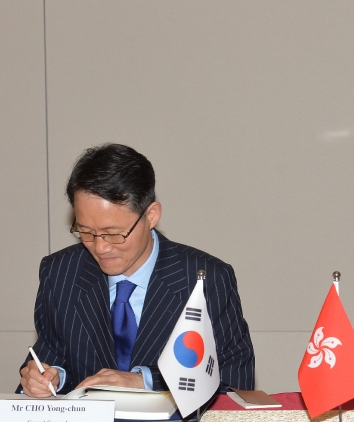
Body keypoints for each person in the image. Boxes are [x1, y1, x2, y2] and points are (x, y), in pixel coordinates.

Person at [19, 143, 254, 397]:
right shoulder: (61, 273)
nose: (100, 247)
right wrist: (45, 377)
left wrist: (144, 380)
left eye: (114, 234)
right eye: (86, 232)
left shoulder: (207, 278)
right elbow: (50, 358)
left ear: (151, 215)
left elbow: (234, 382)